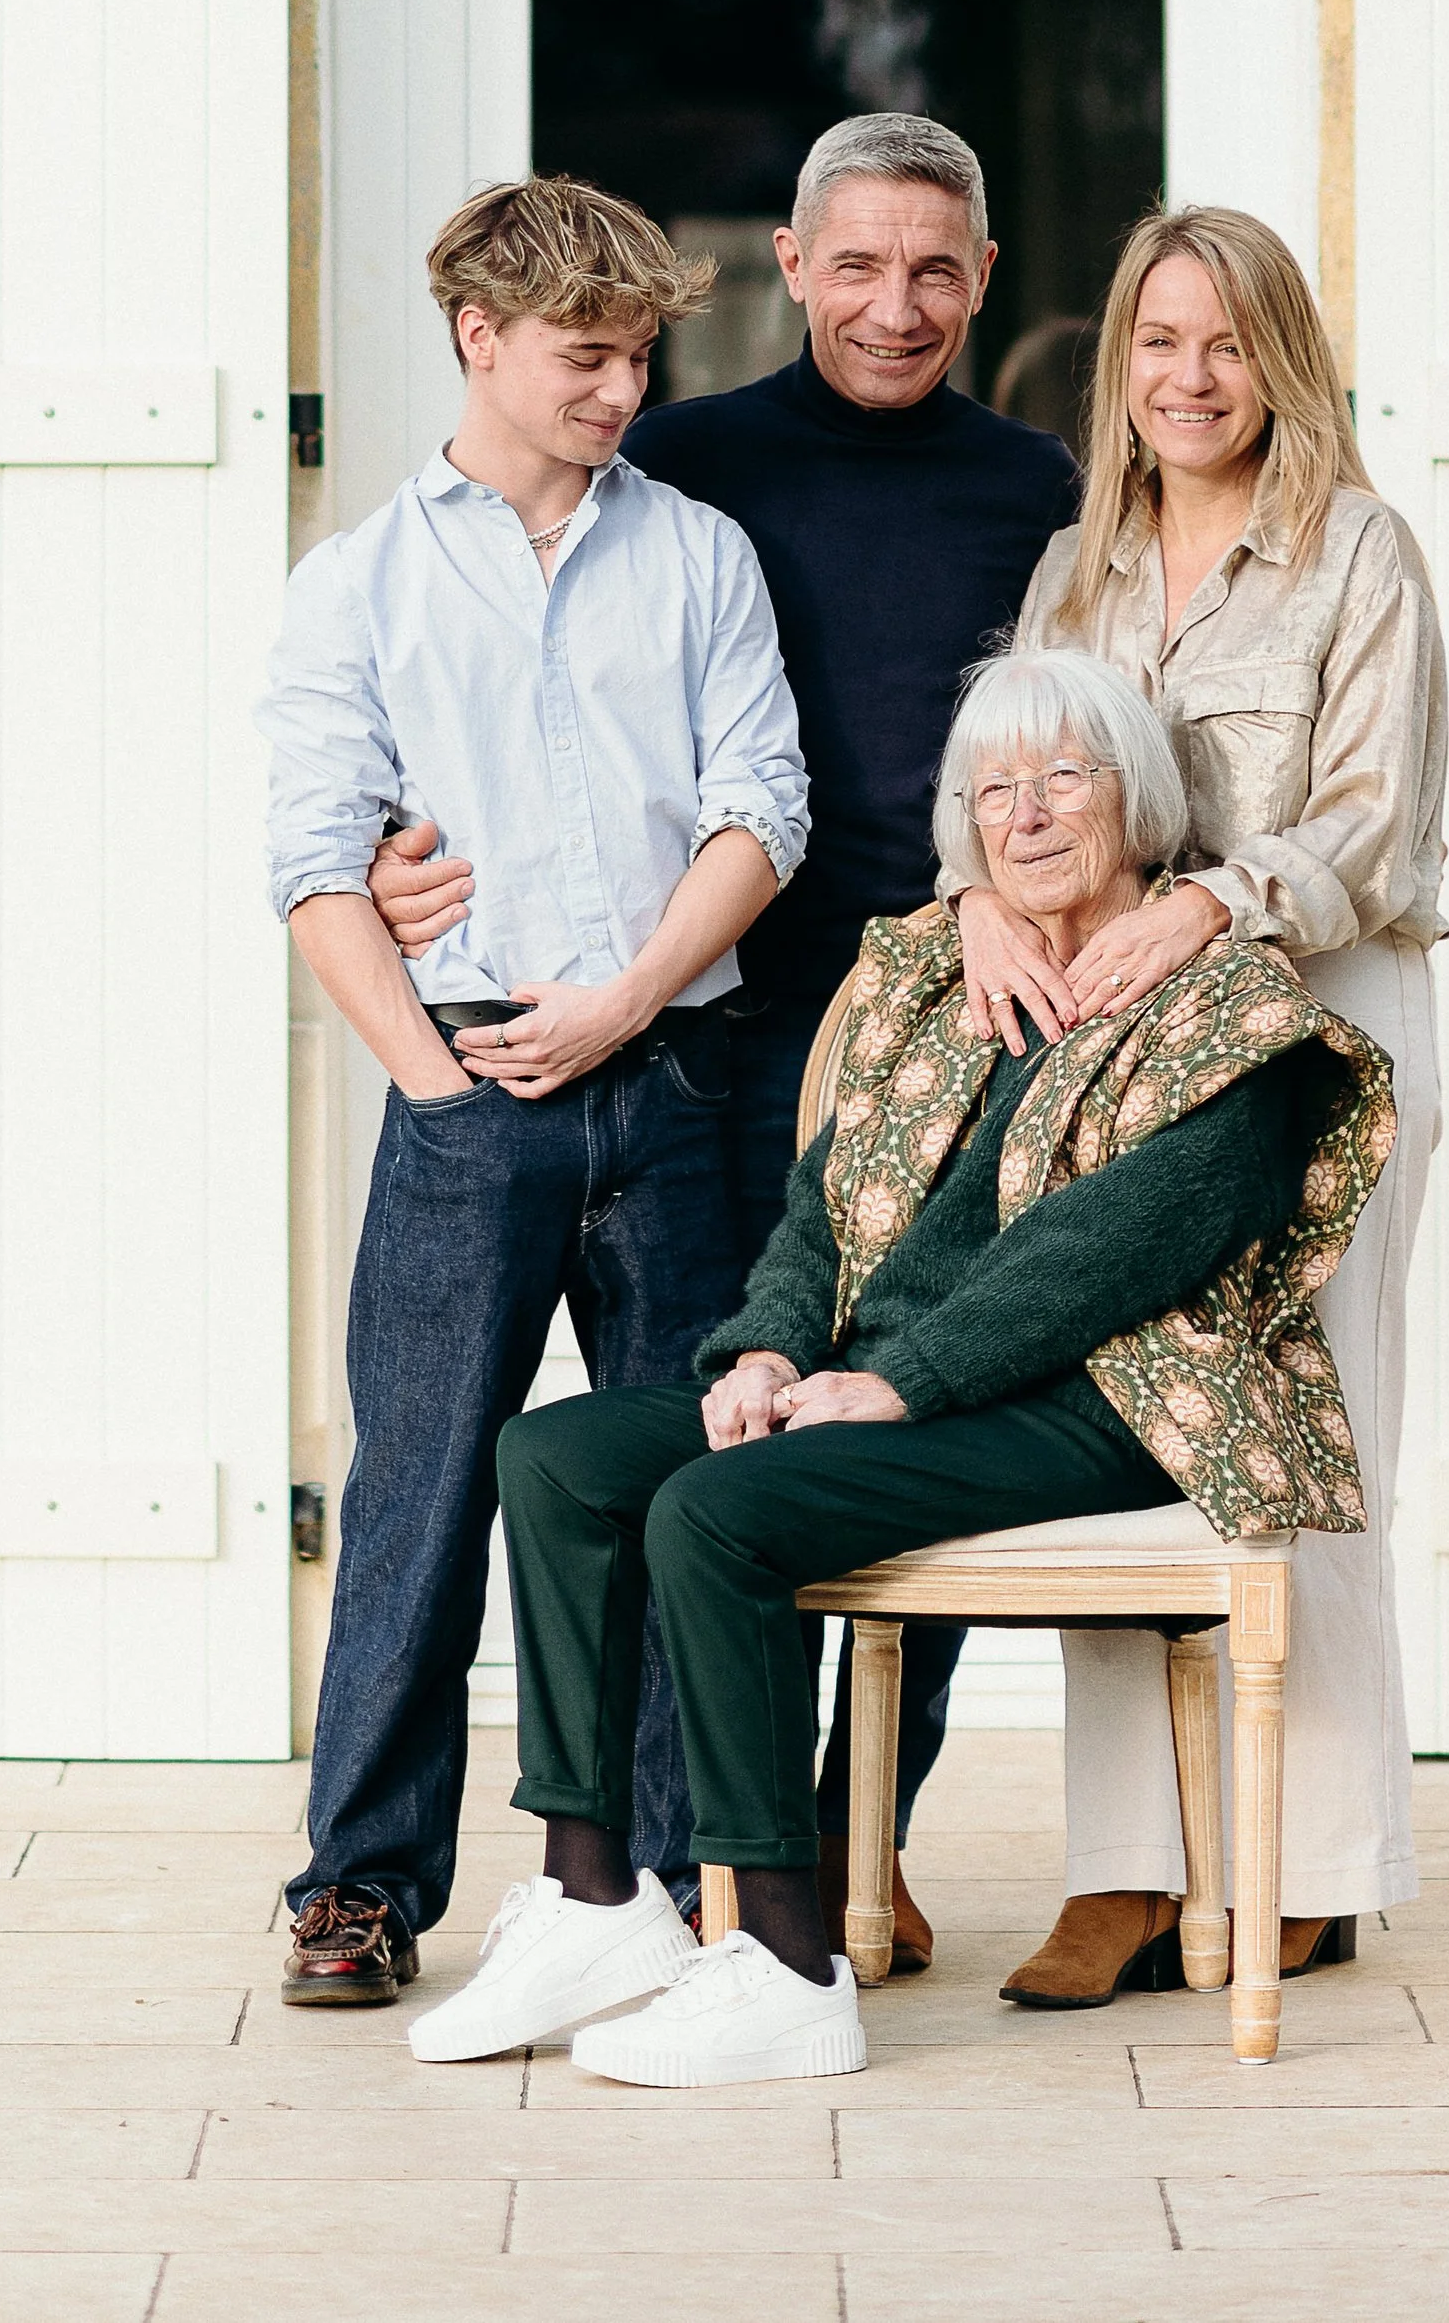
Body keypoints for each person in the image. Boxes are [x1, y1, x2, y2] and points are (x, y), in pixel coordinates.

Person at [402, 647, 1394, 2085]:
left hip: (1113, 1398)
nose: (1026, 814)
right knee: (557, 1457)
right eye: (994, 790)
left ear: (1139, 798)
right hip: (893, 1381)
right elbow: (824, 1204)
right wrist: (765, 1348)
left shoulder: (1233, 1007)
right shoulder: (931, 977)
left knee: (719, 1513)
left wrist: (899, 1381)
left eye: (1064, 778)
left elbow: (1110, 1253)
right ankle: (591, 1897)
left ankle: (783, 1961)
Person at [370, 112, 1076, 1962]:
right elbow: (513, 689)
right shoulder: (679, 465)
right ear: (791, 264)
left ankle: (862, 1839)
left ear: (986, 280)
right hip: (726, 1040)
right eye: (858, 265)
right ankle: (694, 1858)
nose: (896, 304)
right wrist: (388, 848)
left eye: (936, 269)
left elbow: (1078, 740)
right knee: (716, 1440)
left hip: (959, 1030)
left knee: (907, 1430)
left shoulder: (1044, 489)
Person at [261, 176, 809, 2008]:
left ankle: (666, 1876)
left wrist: (630, 1000)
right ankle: (359, 1885)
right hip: (470, 1086)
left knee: (684, 1488)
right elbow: (316, 864)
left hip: (676, 1075)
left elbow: (764, 808)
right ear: (479, 336)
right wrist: (438, 1087)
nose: (622, 389)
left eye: (641, 354)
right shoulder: (358, 583)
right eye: (588, 354)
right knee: (419, 1495)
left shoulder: (701, 556)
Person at [953, 204, 1447, 2012]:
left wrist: (1212, 901)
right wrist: (983, 896)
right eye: (1160, 341)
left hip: (1317, 1030)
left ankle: (1307, 1866)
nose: (1191, 375)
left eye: (1229, 341)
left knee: (1310, 1432)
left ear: (1283, 361)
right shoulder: (1076, 568)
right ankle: (1128, 1871)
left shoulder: (1358, 554)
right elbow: (1008, 767)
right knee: (1117, 1426)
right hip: (1121, 1047)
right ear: (1121, 364)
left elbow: (1375, 821)